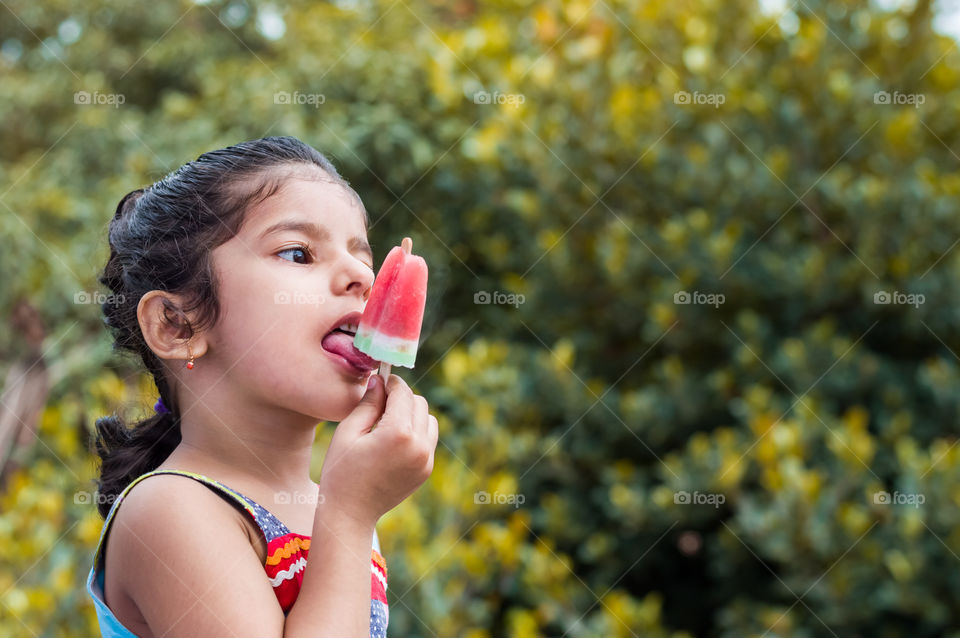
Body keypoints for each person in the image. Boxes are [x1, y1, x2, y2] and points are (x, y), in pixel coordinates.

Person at [84, 136, 438, 637]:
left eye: (364, 257)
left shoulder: (337, 504)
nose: (362, 276)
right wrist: (351, 515)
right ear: (177, 325)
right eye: (298, 253)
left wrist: (349, 513)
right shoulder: (168, 510)